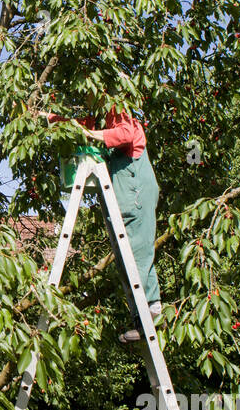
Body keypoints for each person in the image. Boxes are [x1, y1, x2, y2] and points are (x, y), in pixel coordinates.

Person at [40, 105, 161, 344]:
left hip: (135, 196)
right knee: (127, 258)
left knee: (138, 253)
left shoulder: (117, 111)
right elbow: (79, 123)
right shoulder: (101, 114)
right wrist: (44, 117)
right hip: (124, 198)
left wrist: (93, 135)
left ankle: (153, 314)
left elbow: (126, 133)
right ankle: (142, 319)